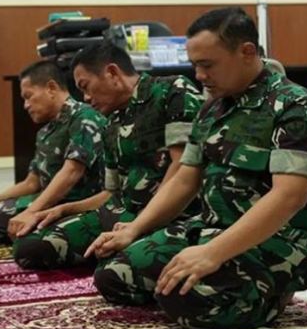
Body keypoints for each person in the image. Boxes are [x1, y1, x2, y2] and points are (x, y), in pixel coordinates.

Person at [88, 7, 307, 329]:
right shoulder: (212, 108)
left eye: (207, 65)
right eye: (195, 65)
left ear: (246, 52)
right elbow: (185, 178)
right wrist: (136, 228)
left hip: (277, 240)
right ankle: (236, 286)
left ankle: (275, 291)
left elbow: (289, 197)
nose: (199, 75)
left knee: (189, 300)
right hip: (210, 229)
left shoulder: (295, 106)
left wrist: (212, 254)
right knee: (113, 276)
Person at [13, 41, 203, 269]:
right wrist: (63, 209)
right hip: (122, 214)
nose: (85, 97)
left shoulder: (170, 92)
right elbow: (110, 194)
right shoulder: (110, 122)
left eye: (86, 86)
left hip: (166, 215)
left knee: (114, 274)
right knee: (31, 247)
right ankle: (111, 252)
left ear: (112, 73)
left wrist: (140, 224)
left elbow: (182, 167)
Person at [0, 60, 107, 244]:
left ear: (51, 88)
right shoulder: (45, 132)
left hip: (75, 205)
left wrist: (31, 212)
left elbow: (71, 173)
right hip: (45, 201)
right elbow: (31, 183)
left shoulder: (84, 118)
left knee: (29, 246)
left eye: (29, 96)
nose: (26, 105)